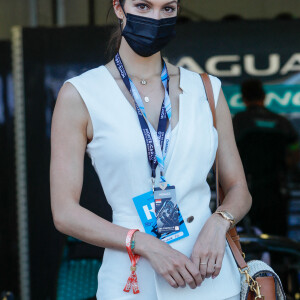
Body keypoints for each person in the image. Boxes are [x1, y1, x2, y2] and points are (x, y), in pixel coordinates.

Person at [50, 1, 252, 299]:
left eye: (167, 8)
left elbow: (239, 189)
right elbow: (65, 213)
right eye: (143, 6)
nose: (156, 17)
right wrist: (143, 243)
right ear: (118, 7)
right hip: (131, 280)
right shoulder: (81, 94)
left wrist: (219, 223)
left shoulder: (206, 89)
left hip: (211, 279)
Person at [232, 78, 300, 236]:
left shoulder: (239, 121)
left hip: (247, 186)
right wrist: (286, 166)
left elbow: (229, 151)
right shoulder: (282, 122)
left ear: (243, 98)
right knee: (277, 231)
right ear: (264, 96)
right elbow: (296, 150)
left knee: (250, 233)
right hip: (277, 185)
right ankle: (281, 260)